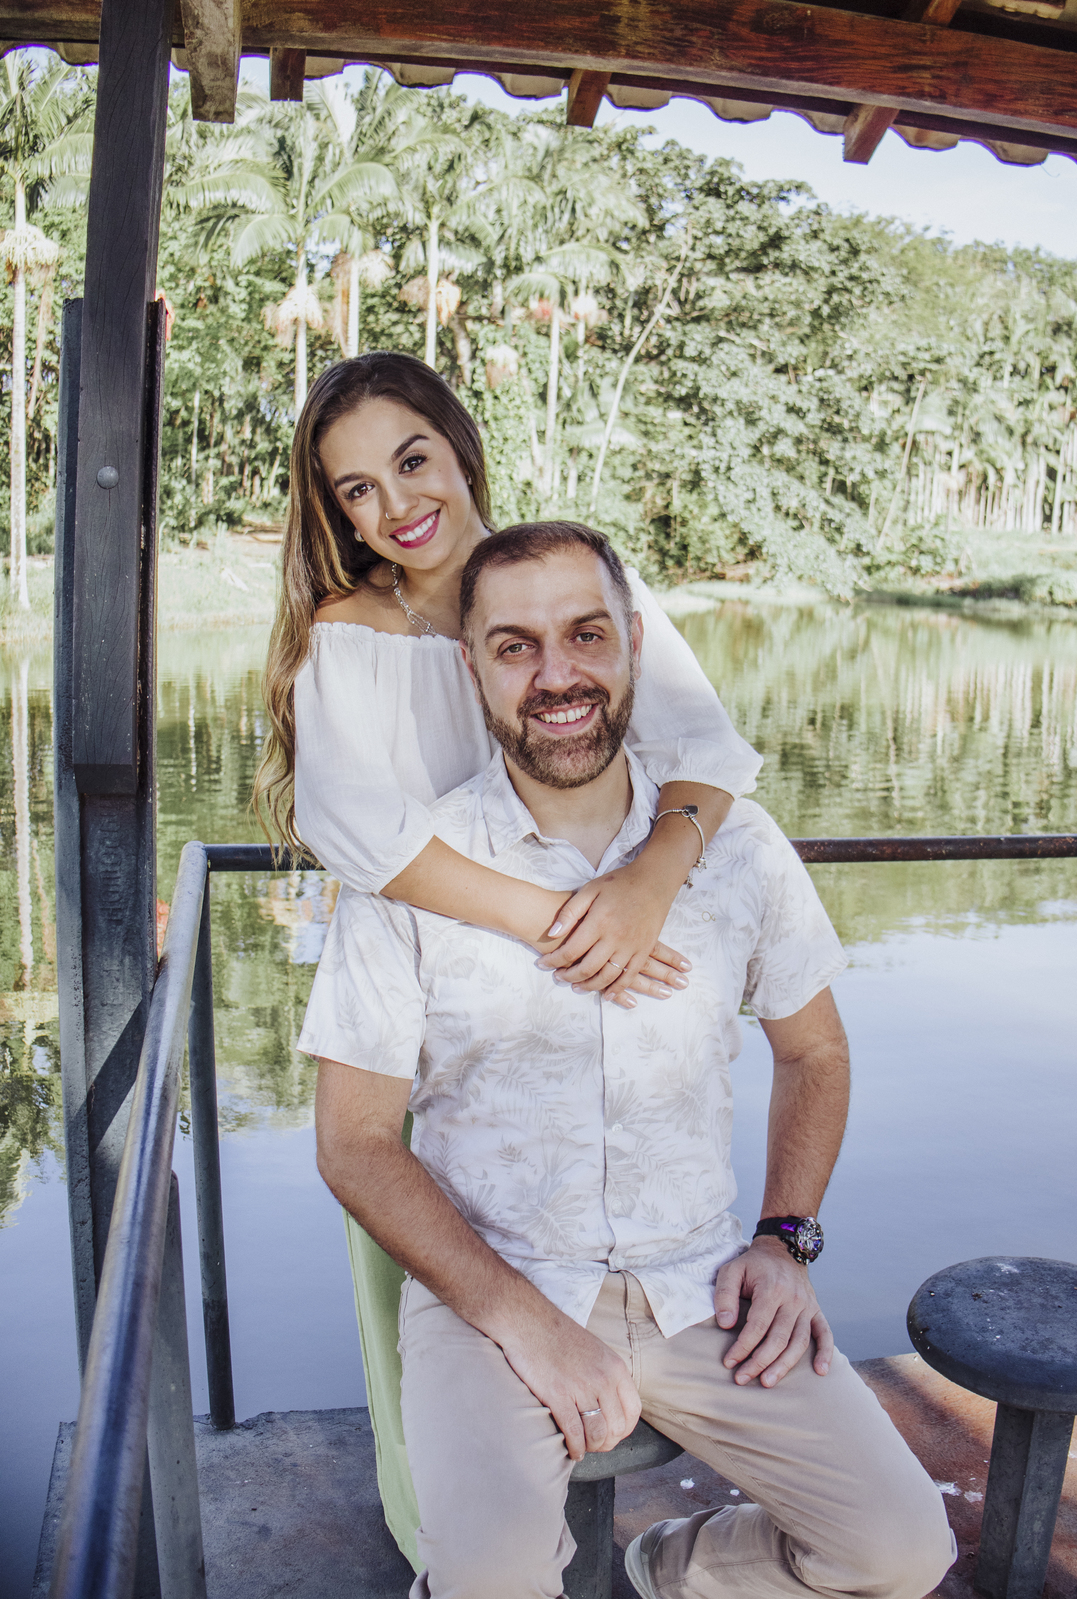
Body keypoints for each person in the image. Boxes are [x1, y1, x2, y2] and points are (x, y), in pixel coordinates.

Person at [304, 523, 956, 1599]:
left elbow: (815, 1052)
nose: (557, 676)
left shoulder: (737, 848)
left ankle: (669, 1570)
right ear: (472, 668)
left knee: (900, 1549)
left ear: (635, 644)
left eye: (586, 635)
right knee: (488, 1583)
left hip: (700, 1282)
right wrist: (525, 1323)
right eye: (515, 647)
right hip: (492, 1288)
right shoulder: (409, 875)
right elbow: (354, 1144)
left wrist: (786, 1241)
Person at [252, 353, 764, 1561]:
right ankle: (448, 1548)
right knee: (428, 1294)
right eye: (357, 491)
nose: (394, 507)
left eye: (410, 462)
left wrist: (648, 880)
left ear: (460, 446)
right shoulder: (351, 636)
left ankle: (617, 1538)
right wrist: (555, 921)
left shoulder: (568, 584)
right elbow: (359, 834)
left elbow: (709, 751)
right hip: (436, 1011)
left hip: (599, 1003)